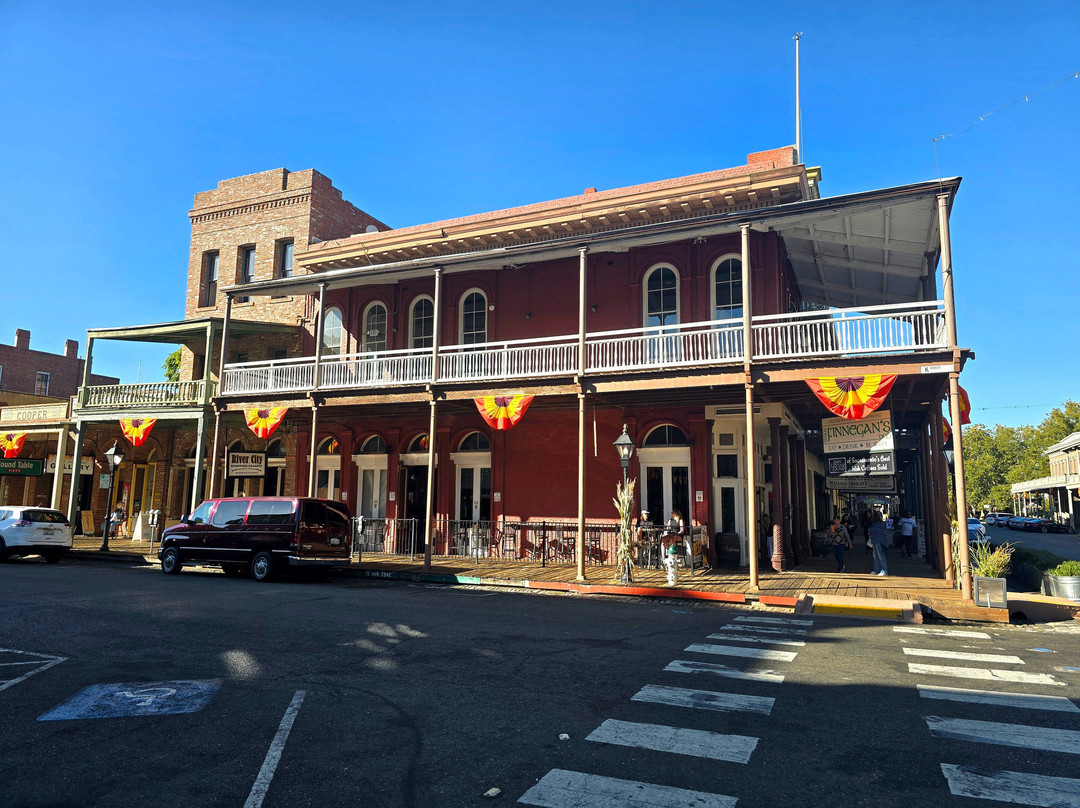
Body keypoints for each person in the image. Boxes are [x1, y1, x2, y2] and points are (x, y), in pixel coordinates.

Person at [869, 510, 889, 576]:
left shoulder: (878, 524)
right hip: (875, 541)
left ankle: (884, 570)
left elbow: (871, 529)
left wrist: (870, 530)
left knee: (880, 556)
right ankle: (876, 569)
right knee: (876, 556)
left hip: (879, 541)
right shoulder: (881, 524)